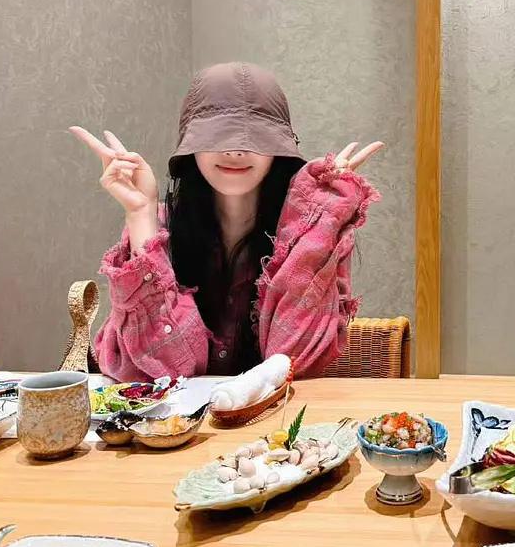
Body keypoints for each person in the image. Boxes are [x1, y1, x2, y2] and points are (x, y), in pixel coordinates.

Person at [72, 62, 383, 382]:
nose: (235, 151)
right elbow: (161, 373)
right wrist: (140, 214)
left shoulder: (309, 233)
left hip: (280, 414)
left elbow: (290, 360)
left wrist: (322, 215)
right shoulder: (157, 228)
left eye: (256, 138)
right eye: (217, 135)